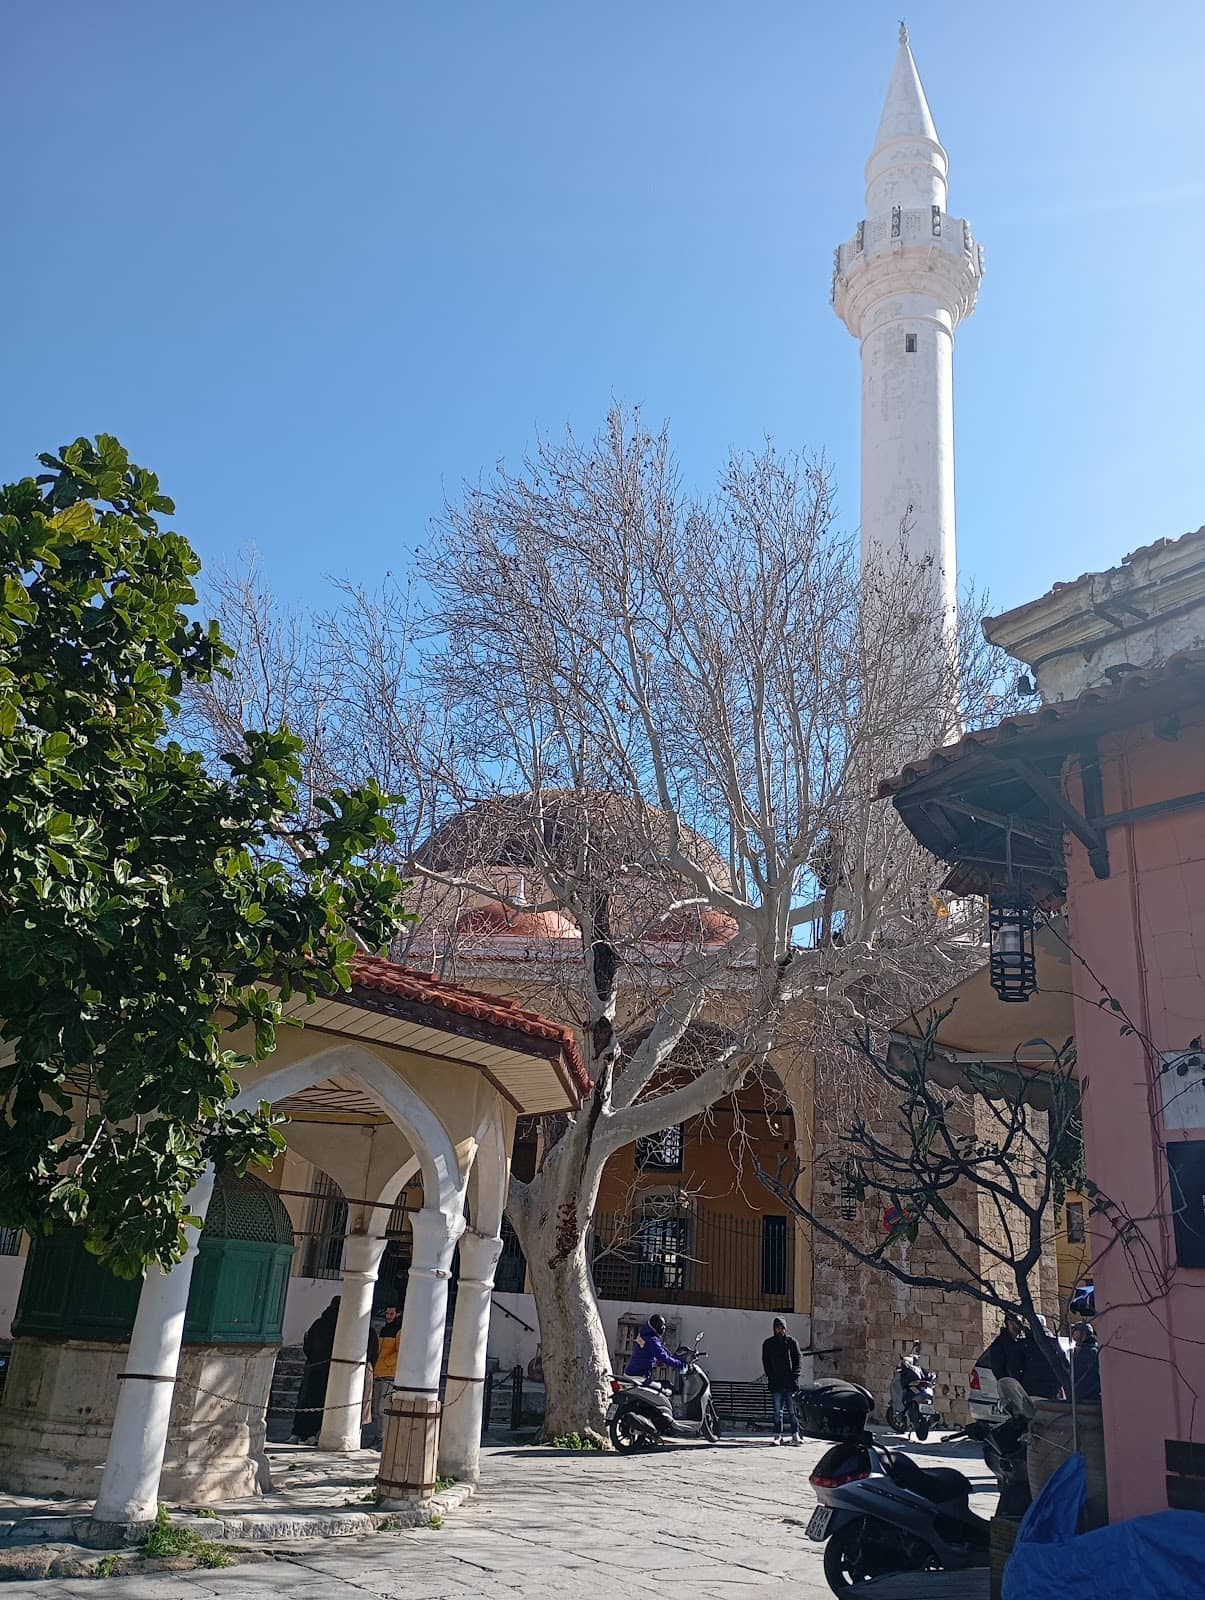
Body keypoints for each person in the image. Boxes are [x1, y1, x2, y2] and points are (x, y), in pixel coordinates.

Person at [291, 1296, 341, 1444]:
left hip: (312, 1366)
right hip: (326, 1369)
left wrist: (312, 1358)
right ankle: (310, 1434)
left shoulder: (318, 1323)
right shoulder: (338, 1325)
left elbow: (308, 1344)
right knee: (318, 1402)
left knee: (304, 1400)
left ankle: (297, 1432)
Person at [986, 1312, 1063, 1400]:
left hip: (1037, 1390)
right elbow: (1005, 1368)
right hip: (1022, 1390)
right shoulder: (1001, 1344)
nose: (1021, 1325)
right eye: (1018, 1322)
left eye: (1022, 1322)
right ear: (1009, 1323)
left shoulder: (1024, 1343)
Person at [761, 1317, 802, 1445]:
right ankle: (777, 1435)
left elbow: (798, 1359)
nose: (780, 1330)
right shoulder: (768, 1344)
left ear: (785, 1329)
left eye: (782, 1328)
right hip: (776, 1382)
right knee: (778, 1411)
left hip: (790, 1382)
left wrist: (795, 1376)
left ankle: (795, 1434)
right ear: (774, 1329)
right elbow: (766, 1361)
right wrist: (771, 1376)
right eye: (777, 1328)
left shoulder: (791, 1342)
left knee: (792, 1411)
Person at [367, 1304, 403, 1449]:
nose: (388, 1316)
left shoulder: (400, 1331)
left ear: (398, 1314)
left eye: (391, 1313)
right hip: (378, 1372)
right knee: (376, 1409)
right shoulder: (384, 1330)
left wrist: (386, 1362)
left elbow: (400, 1353)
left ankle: (384, 1437)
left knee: (383, 1408)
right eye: (387, 1313)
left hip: (389, 1374)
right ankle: (378, 1436)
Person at [624, 1315, 686, 1382]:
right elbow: (664, 1357)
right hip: (638, 1376)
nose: (664, 1327)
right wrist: (682, 1365)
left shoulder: (645, 1334)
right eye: (662, 1325)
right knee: (664, 1386)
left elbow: (644, 1353)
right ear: (656, 1326)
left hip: (631, 1372)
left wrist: (655, 1360)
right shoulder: (652, 1340)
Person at [1069, 1320, 1101, 1405]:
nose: (1073, 1332)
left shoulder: (1091, 1351)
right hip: (1079, 1395)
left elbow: (1091, 1375)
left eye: (1076, 1330)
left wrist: (1080, 1390)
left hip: (1089, 1396)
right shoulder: (1079, 1349)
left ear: (1083, 1333)